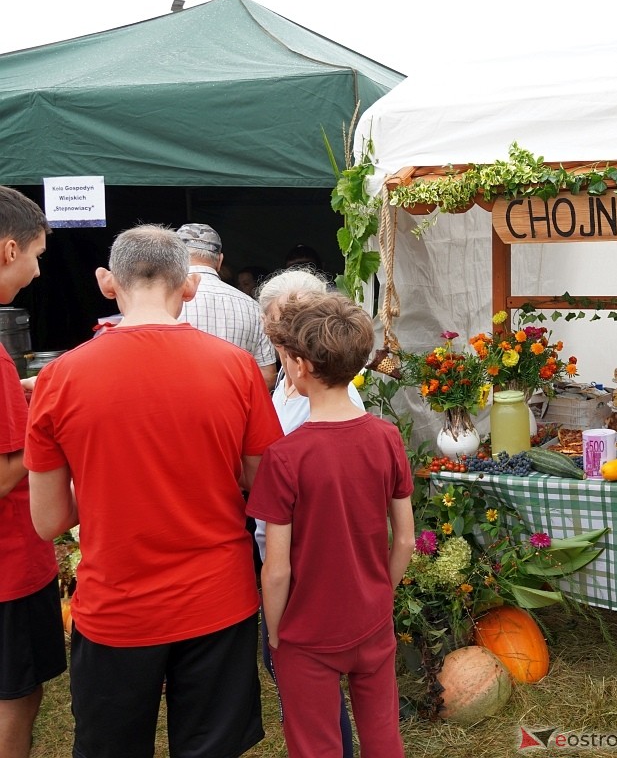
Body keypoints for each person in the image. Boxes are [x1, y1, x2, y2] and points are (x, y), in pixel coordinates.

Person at [27, 225, 283, 758]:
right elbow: (265, 485)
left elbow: (49, 521)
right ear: (188, 286)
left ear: (106, 283)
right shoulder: (237, 369)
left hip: (116, 607)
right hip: (218, 599)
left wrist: (103, 486)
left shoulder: (59, 378)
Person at [247, 291, 414, 757]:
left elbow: (276, 568)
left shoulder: (285, 457)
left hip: (306, 632)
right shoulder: (387, 437)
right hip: (372, 618)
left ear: (299, 365)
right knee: (383, 736)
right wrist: (383, 591)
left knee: (315, 745)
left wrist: (276, 631)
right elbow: (403, 539)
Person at [253, 268, 365, 758]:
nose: (288, 335)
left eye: (299, 321)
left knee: (304, 678)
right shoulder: (286, 385)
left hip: (303, 564)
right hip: (283, 556)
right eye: (280, 324)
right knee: (298, 682)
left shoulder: (335, 401)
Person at [0, 187, 60, 758]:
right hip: (9, 567)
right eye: (35, 256)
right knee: (15, 696)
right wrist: (46, 428)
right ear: (7, 249)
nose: (39, 271)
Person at [176, 223, 277, 388]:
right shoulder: (253, 307)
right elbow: (267, 376)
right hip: (235, 410)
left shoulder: (164, 300)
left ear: (175, 257)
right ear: (220, 260)